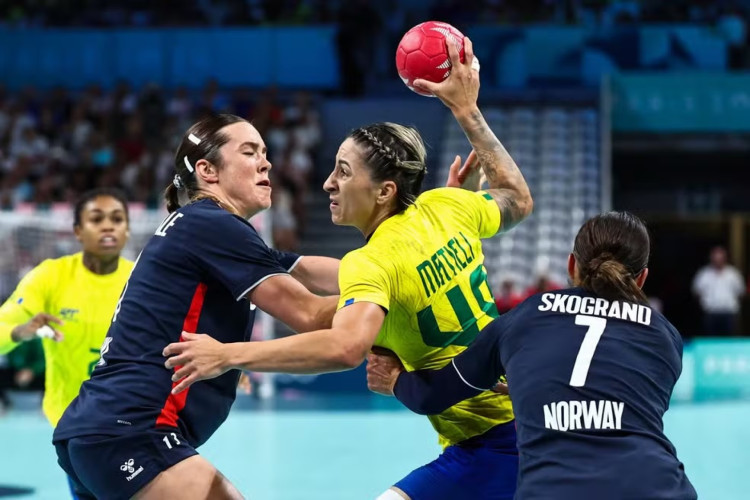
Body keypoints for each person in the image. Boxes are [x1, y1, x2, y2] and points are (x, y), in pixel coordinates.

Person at [164, 37, 533, 500]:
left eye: (342, 171)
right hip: (526, 419)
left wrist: (229, 355)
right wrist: (467, 113)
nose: (327, 183)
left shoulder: (373, 261)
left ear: (384, 192)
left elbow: (343, 346)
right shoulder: (446, 207)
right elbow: (518, 199)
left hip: (490, 446)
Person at [53, 114, 341, 500]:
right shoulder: (214, 226)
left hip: (100, 430)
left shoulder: (204, 227)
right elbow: (312, 315)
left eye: (265, 152)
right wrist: (394, 296)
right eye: (249, 151)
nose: (266, 162)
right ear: (207, 171)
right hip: (135, 430)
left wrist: (388, 269)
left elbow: (307, 268)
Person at [366, 212, 698, 500]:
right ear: (641, 278)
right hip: (659, 487)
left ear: (571, 265)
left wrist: (395, 380)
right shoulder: (665, 337)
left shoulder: (525, 316)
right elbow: (621, 405)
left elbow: (434, 395)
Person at [0, 188, 134, 496]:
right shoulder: (51, 276)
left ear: (127, 229)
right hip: (73, 421)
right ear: (77, 230)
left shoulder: (142, 279)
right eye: (96, 219)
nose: (108, 226)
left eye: (117, 219)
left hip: (131, 417)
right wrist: (22, 331)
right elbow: (3, 325)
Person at [692, 246, 744, 336]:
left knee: (729, 341)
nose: (718, 260)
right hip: (711, 313)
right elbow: (696, 291)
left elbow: (741, 292)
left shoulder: (733, 274)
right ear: (711, 258)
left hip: (729, 314)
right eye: (716, 258)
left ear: (725, 258)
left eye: (720, 258)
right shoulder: (704, 274)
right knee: (710, 340)